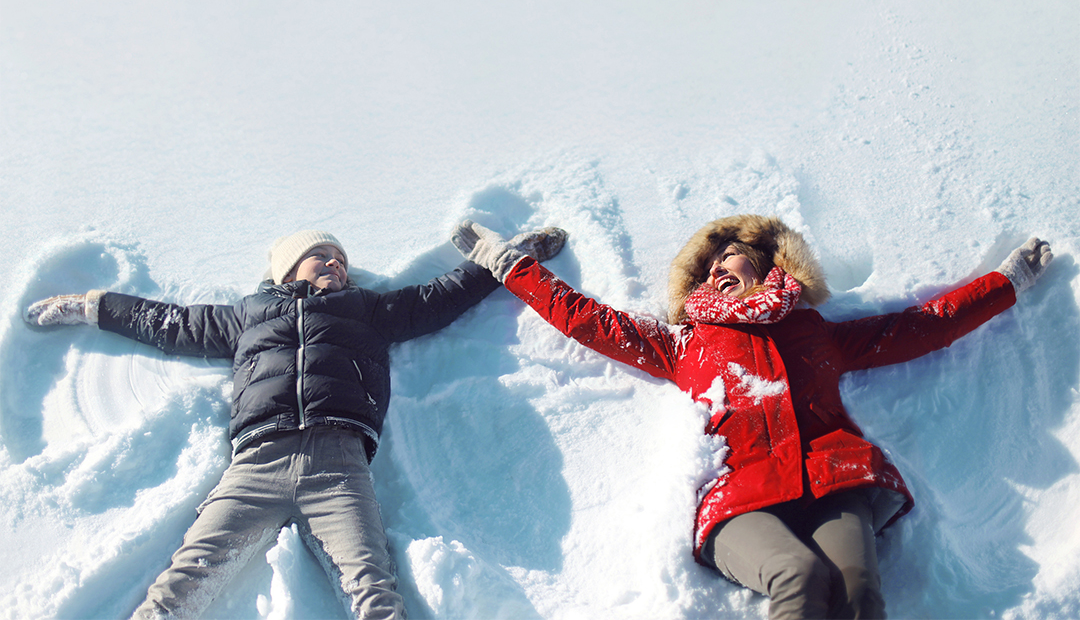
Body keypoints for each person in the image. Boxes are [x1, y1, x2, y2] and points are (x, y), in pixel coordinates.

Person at [451, 215, 1053, 620]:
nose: (718, 266)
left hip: (833, 476)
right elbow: (583, 317)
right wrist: (506, 262)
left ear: (768, 264)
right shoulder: (685, 342)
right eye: (708, 265)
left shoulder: (812, 330)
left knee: (859, 589)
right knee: (798, 576)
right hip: (741, 499)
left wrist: (1008, 282)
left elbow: (921, 327)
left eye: (731, 256)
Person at [24, 227, 566, 619]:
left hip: (339, 467)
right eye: (321, 257)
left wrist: (509, 255)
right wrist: (88, 306)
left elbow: (441, 296)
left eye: (340, 260)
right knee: (184, 582)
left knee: (373, 591)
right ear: (287, 269)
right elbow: (167, 322)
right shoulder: (246, 315)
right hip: (256, 465)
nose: (336, 265)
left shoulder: (367, 309)